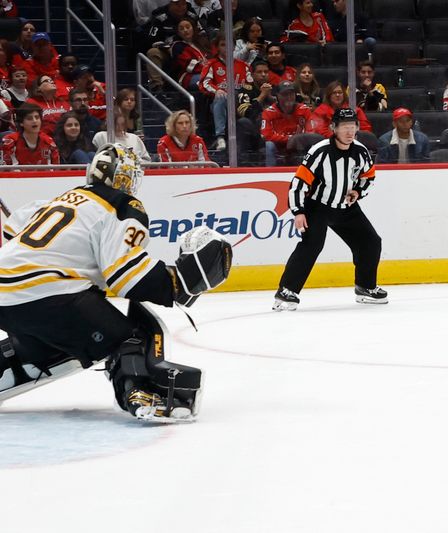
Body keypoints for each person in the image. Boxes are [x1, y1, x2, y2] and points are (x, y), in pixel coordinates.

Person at [0, 143, 232, 421]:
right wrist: (173, 284)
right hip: (49, 290)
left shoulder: (60, 199)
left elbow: (11, 228)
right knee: (130, 338)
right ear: (125, 178)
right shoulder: (122, 204)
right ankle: (138, 393)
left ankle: (21, 358)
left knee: (55, 342)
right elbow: (125, 275)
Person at [273, 107, 386, 311]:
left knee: (370, 241)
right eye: (344, 127)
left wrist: (358, 192)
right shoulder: (320, 151)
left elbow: (369, 176)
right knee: (312, 245)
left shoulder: (360, 151)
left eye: (353, 127)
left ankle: (365, 288)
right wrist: (298, 211)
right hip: (318, 206)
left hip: (346, 207)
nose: (349, 132)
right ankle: (287, 291)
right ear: (334, 128)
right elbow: (299, 182)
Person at [199, 32, 254, 150]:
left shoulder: (244, 66)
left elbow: (250, 85)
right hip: (220, 102)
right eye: (223, 45)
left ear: (234, 47)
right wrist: (217, 90)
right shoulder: (211, 64)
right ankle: (220, 138)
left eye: (230, 44)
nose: (227, 47)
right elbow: (204, 83)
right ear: (218, 47)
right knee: (221, 97)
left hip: (240, 102)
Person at [143, 0, 202, 92]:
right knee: (152, 52)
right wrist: (169, 46)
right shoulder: (161, 17)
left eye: (183, 4)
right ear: (170, 4)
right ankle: (157, 87)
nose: (181, 7)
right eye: (177, 4)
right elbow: (151, 40)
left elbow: (203, 34)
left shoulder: (192, 16)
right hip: (167, 51)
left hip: (190, 49)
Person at [260, 81, 313, 166]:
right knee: (269, 145)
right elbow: (266, 135)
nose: (289, 97)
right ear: (277, 96)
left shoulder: (304, 110)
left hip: (299, 146)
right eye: (285, 94)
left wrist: (296, 139)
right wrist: (290, 139)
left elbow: (311, 132)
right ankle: (270, 174)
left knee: (312, 145)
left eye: (291, 94)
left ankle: (310, 172)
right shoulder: (269, 112)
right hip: (278, 147)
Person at [170, 16, 210, 90]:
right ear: (178, 33)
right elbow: (190, 66)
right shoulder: (177, 46)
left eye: (188, 27)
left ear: (193, 29)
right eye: (181, 29)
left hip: (206, 73)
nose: (185, 30)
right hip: (187, 77)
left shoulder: (200, 43)